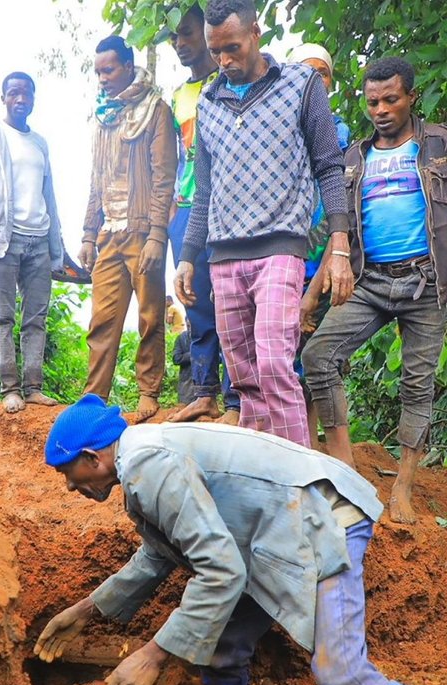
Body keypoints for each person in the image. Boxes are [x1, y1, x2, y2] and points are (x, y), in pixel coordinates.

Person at [35, 395, 447, 685]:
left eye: (66, 474)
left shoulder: (148, 465)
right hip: (272, 533)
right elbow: (159, 554)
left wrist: (152, 656)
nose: (69, 486)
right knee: (221, 646)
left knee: (341, 674)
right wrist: (86, 610)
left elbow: (221, 571)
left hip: (324, 519)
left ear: (92, 457)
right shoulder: (140, 459)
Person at [174, 0, 353, 446]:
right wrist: (188, 258)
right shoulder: (210, 101)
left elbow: (329, 167)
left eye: (232, 48)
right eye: (216, 52)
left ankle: (302, 484)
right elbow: (205, 193)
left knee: (275, 364)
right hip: (224, 258)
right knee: (244, 381)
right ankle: (262, 483)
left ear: (256, 32)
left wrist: (340, 246)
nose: (225, 61)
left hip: (281, 249)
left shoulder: (300, 84)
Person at [302, 57, 447, 524]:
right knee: (318, 357)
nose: (381, 109)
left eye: (390, 99)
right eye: (372, 102)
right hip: (371, 279)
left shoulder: (440, 144)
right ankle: (342, 463)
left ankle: (404, 484)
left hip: (427, 282)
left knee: (417, 385)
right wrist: (313, 292)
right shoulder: (355, 156)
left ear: (410, 97)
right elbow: (339, 229)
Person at [78, 35, 177, 421]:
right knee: (102, 320)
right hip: (109, 235)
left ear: (127, 65)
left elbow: (163, 176)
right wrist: (88, 234)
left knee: (151, 315)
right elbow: (96, 179)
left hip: (142, 231)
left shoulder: (155, 110)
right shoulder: (104, 116)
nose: (103, 78)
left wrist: (157, 235)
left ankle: (149, 392)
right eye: (98, 71)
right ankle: (92, 399)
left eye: (109, 69)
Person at [0, 72, 63, 414]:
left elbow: (49, 196)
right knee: (2, 317)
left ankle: (34, 388)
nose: (20, 99)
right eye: (14, 93)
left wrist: (57, 249)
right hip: (1, 242)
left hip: (39, 239)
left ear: (34, 98)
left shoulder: (39, 143)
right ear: (4, 98)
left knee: (36, 318)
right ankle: (10, 388)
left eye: (26, 93)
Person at [167, 3, 240, 426]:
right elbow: (181, 157)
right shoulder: (179, 95)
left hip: (225, 207)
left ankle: (235, 399)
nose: (181, 43)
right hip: (189, 209)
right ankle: (204, 393)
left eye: (188, 33)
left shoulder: (228, 81)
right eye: (177, 37)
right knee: (194, 304)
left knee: (229, 299)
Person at [288, 43, 350, 448]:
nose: (314, 79)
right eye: (305, 71)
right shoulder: (282, 127)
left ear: (331, 80)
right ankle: (298, 441)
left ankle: (319, 442)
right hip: (286, 256)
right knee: (286, 354)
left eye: (321, 73)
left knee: (322, 358)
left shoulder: (342, 134)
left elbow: (339, 199)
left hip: (325, 258)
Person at [172, 321, 196, 404]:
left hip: (204, 383)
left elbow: (220, 357)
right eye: (188, 325)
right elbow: (176, 359)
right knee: (185, 407)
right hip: (186, 383)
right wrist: (195, 353)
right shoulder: (181, 338)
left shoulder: (208, 337)